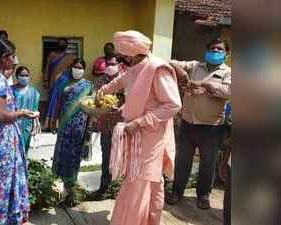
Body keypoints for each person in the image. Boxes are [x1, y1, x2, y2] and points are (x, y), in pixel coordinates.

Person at [98, 30, 182, 225]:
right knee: (149, 182)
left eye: (122, 56)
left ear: (133, 54)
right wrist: (103, 90)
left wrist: (140, 122)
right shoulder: (135, 66)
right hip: (136, 134)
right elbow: (122, 80)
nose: (120, 60)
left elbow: (173, 105)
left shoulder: (157, 69)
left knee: (139, 182)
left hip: (151, 135)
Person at [166, 38, 231, 210]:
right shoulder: (195, 66)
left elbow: (228, 91)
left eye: (219, 49)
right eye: (212, 48)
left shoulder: (228, 73)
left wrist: (205, 84)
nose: (215, 51)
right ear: (206, 50)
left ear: (227, 53)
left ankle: (203, 195)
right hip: (188, 123)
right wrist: (181, 71)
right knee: (182, 161)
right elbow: (170, 62)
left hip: (212, 127)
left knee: (207, 163)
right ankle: (177, 192)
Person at [0, 38, 38, 225]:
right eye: (12, 55)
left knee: (0, 190)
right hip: (0, 146)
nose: (15, 59)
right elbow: (2, 114)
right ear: (4, 58)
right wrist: (21, 113)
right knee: (1, 192)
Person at [52, 58, 93, 199]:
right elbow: (58, 103)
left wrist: (89, 126)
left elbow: (92, 106)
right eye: (75, 66)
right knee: (62, 151)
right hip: (64, 124)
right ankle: (58, 182)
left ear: (84, 69)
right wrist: (54, 120)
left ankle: (72, 183)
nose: (77, 69)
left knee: (75, 152)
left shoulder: (89, 85)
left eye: (80, 67)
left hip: (80, 125)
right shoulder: (64, 83)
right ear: (71, 68)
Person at [92, 56, 124, 198]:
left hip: (121, 126)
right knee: (106, 158)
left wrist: (122, 107)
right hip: (105, 125)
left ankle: (119, 189)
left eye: (113, 64)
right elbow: (95, 100)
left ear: (119, 65)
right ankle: (103, 188)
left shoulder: (125, 79)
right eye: (108, 64)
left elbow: (132, 99)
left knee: (121, 158)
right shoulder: (100, 81)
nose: (110, 66)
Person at [43, 38, 76, 131]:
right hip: (53, 82)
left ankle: (61, 125)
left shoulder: (71, 57)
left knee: (62, 102)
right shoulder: (52, 55)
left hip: (65, 83)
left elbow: (73, 71)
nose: (61, 45)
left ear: (67, 45)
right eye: (60, 43)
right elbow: (47, 68)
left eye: (63, 43)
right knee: (53, 103)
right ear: (57, 45)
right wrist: (45, 80)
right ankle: (51, 125)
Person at [11, 66, 41, 154]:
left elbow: (35, 110)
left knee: (24, 150)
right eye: (22, 75)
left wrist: (36, 115)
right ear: (17, 76)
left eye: (26, 75)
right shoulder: (10, 90)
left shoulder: (33, 92)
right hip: (13, 125)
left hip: (27, 127)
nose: (24, 77)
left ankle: (24, 166)